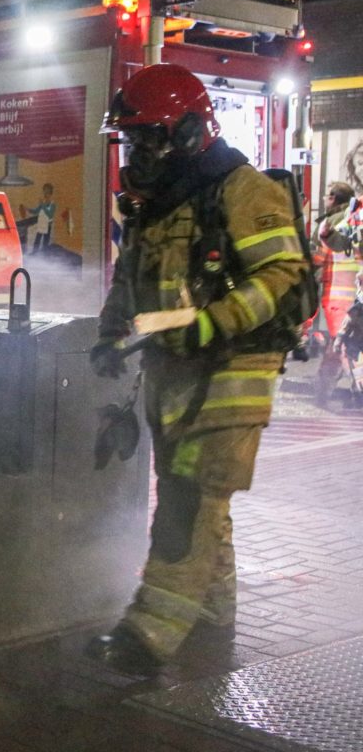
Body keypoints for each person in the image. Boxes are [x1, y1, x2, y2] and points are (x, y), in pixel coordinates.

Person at [87, 64, 309, 675]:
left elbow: (281, 272)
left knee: (189, 499)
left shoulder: (241, 189)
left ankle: (146, 637)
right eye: (131, 140)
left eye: (147, 138)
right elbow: (130, 277)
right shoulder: (158, 203)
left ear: (188, 132)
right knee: (201, 497)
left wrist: (214, 323)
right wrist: (110, 334)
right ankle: (212, 617)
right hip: (177, 373)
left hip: (235, 371)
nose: (137, 153)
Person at [312, 182, 360, 406]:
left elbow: (318, 258)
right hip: (355, 294)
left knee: (342, 345)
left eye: (326, 196)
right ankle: (323, 391)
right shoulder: (354, 220)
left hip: (338, 295)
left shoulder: (332, 223)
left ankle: (352, 389)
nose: (324, 200)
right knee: (338, 344)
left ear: (333, 198)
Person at [26, 183, 57, 254]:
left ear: (50, 193)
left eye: (47, 192)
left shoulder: (53, 204)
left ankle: (45, 254)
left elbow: (50, 215)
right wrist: (28, 209)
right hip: (41, 224)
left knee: (45, 242)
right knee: (37, 240)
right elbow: (36, 211)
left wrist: (43, 205)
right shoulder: (43, 203)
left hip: (47, 226)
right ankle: (34, 253)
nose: (45, 194)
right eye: (44, 191)